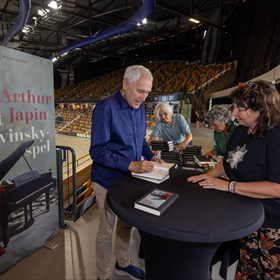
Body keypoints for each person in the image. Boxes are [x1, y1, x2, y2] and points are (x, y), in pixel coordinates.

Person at [188, 80, 280, 279]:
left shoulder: (276, 137)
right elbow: (228, 158)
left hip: (273, 221)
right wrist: (210, 175)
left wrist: (229, 186)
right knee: (247, 265)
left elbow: (276, 187)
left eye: (240, 109)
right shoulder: (240, 130)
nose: (234, 114)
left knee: (270, 271)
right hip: (247, 213)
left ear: (261, 110)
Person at [89, 65, 164, 280]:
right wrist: (131, 165)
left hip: (129, 179)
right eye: (140, 90)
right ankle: (102, 275)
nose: (144, 97)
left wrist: (151, 156)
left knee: (126, 224)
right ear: (125, 84)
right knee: (106, 230)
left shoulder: (139, 108)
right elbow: (97, 151)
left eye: (148, 92)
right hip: (106, 180)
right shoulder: (106, 107)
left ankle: (123, 264)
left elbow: (139, 140)